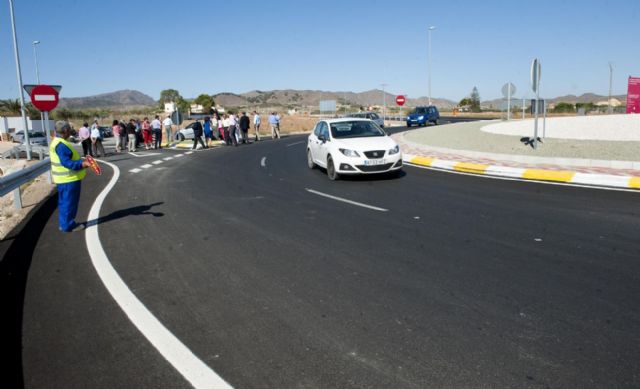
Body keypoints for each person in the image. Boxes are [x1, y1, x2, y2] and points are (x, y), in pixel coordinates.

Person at [50, 121, 91, 232]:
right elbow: (67, 163)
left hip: (63, 180)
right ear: (66, 131)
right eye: (69, 129)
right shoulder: (62, 145)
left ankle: (64, 224)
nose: (70, 131)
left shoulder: (57, 142)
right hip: (68, 179)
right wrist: (82, 164)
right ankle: (68, 225)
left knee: (64, 203)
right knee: (69, 203)